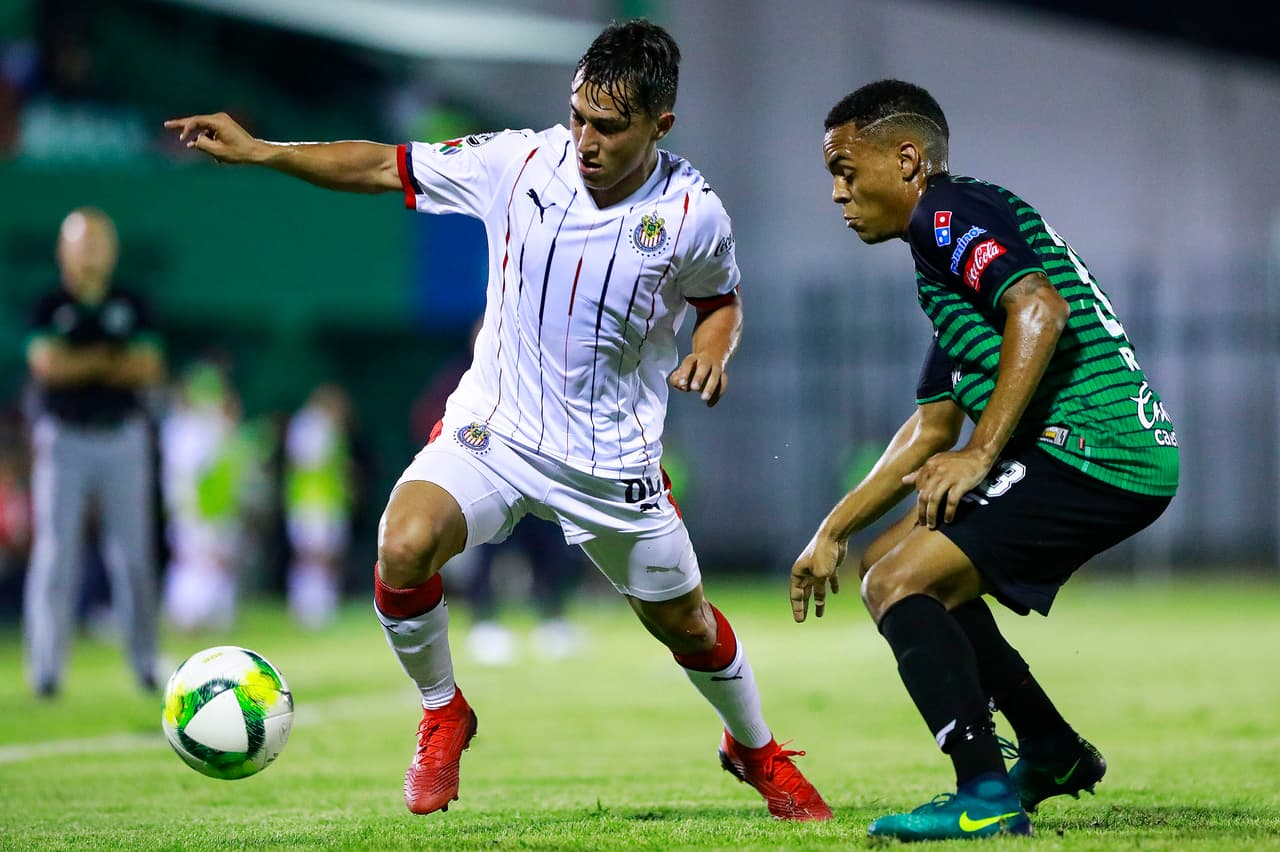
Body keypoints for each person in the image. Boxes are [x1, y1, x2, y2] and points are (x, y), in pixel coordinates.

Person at [165, 19, 831, 821]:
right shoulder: (517, 162)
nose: (584, 138)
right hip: (496, 430)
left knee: (687, 625)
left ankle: (752, 749)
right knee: (404, 544)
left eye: (609, 126)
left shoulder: (694, 213)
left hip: (609, 458)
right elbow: (382, 164)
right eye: (578, 114)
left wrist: (715, 350)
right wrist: (265, 151)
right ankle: (444, 709)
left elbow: (720, 303)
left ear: (661, 126)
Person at [789, 80, 1179, 841]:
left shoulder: (947, 213)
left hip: (1096, 448)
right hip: (1107, 451)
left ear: (907, 160)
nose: (837, 192)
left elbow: (1041, 309)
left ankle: (983, 791)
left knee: (900, 580)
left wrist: (982, 452)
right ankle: (1051, 749)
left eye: (845, 168)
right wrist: (830, 531)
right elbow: (933, 424)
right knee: (890, 558)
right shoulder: (950, 257)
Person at [24, 207, 166, 698]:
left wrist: (79, 363)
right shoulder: (48, 303)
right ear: (64, 250)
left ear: (113, 250)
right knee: (54, 554)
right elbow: (48, 368)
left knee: (132, 556)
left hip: (122, 435)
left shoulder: (132, 301)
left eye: (99, 243)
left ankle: (146, 663)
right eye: (82, 243)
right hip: (63, 438)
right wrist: (109, 361)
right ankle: (46, 669)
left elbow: (147, 367)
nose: (91, 253)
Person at [283, 382, 357, 630]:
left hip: (325, 500)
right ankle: (309, 606)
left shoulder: (323, 427)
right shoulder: (313, 426)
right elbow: (313, 461)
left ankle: (321, 604)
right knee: (313, 557)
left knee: (325, 557)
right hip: (313, 501)